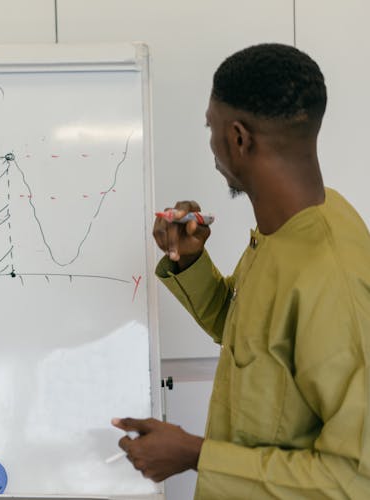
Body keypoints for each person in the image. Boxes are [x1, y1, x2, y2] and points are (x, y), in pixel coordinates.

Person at [111, 43, 370, 497]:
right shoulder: (286, 230)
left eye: (209, 127)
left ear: (238, 138)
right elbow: (250, 336)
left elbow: (356, 478)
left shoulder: (333, 278)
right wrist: (190, 262)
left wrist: (195, 454)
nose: (210, 144)